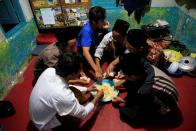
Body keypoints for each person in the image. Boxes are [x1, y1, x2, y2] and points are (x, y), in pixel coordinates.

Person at [29, 51, 104, 131]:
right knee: (75, 117)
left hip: (36, 114)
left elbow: (65, 85)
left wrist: (87, 89)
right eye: (80, 70)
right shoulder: (63, 95)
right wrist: (97, 97)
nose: (81, 71)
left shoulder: (49, 71)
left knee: (69, 98)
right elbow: (84, 113)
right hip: (43, 124)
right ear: (72, 74)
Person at [112, 53, 178, 122]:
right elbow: (133, 80)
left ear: (132, 76)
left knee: (125, 112)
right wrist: (124, 81)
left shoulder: (145, 90)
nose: (123, 75)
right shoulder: (145, 64)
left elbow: (140, 103)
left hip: (166, 105)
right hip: (164, 91)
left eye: (125, 74)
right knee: (129, 84)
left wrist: (123, 101)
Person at [76, 6, 110, 74]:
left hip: (94, 43)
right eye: (102, 21)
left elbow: (102, 26)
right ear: (94, 21)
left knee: (107, 35)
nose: (103, 22)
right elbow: (85, 52)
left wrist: (105, 27)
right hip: (84, 51)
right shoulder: (86, 31)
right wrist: (96, 69)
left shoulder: (93, 22)